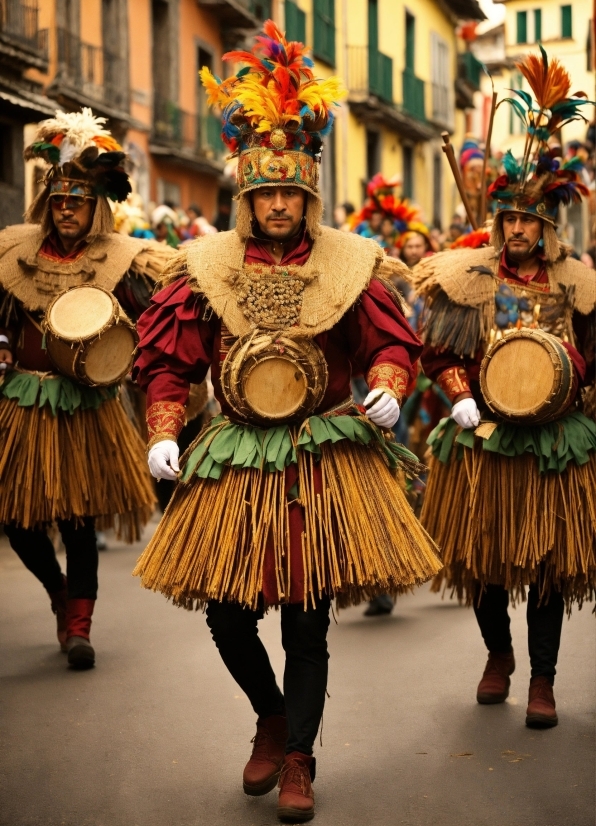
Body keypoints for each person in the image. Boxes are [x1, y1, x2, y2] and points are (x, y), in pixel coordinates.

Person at [132, 22, 441, 823]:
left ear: (307, 196)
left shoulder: (348, 261)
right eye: (265, 193)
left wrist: (387, 385)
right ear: (247, 196)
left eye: (290, 194)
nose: (277, 205)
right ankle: (270, 715)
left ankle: (299, 757)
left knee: (307, 620)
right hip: (233, 455)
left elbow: (389, 343)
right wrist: (164, 428)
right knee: (228, 610)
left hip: (321, 456)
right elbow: (168, 360)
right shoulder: (206, 266)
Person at [412, 50, 596, 728]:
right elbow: (440, 350)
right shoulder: (471, 275)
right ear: (498, 221)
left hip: (553, 442)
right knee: (485, 562)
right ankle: (499, 656)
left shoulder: (578, 282)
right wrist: (458, 390)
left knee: (547, 567)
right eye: (509, 218)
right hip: (482, 436)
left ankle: (543, 679)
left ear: (549, 225)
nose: (518, 229)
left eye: (531, 220)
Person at [0, 109, 168, 668]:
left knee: (79, 521)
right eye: (58, 201)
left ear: (97, 207)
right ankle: (57, 591)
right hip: (24, 400)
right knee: (15, 518)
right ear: (46, 205)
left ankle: (79, 626)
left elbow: (152, 327)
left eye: (78, 201)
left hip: (87, 408)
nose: (66, 209)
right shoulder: (13, 253)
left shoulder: (122, 260)